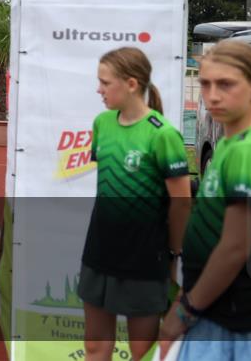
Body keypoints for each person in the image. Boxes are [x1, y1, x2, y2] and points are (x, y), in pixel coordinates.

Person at [160, 40, 251, 360]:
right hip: (219, 315)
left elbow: (235, 247)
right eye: (205, 84)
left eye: (226, 84)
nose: (212, 95)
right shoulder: (232, 142)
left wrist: (184, 313)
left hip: (233, 327)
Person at [80, 47, 191, 361]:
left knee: (142, 352)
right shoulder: (102, 123)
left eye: (105, 82)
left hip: (144, 258)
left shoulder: (163, 134)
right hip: (99, 251)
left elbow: (181, 202)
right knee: (95, 347)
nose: (98, 89)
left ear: (131, 84)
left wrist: (173, 253)